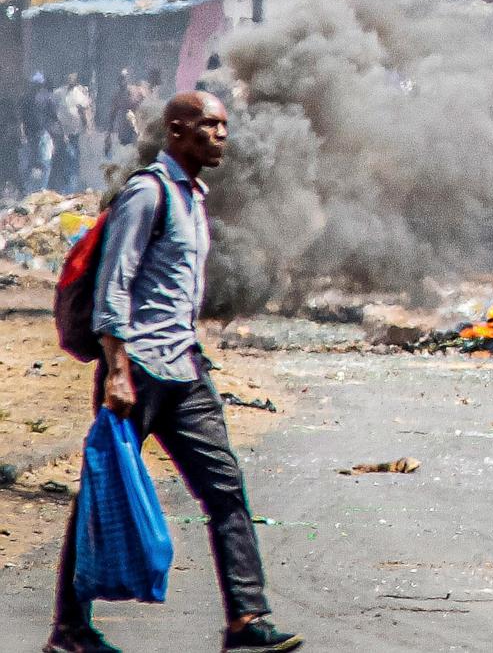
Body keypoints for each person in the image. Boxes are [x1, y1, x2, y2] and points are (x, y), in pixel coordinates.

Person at [45, 92, 303, 653]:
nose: (221, 135)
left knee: (226, 490)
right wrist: (116, 369)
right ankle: (69, 630)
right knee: (100, 494)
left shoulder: (193, 197)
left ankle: (246, 621)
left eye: (224, 126)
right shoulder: (147, 193)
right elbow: (115, 284)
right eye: (209, 125)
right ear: (178, 132)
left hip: (184, 371)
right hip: (135, 372)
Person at [51, 73, 92, 193]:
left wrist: (88, 128)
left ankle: (70, 190)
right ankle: (61, 188)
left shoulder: (79, 93)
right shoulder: (58, 93)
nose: (70, 80)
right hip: (60, 133)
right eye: (68, 78)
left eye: (72, 78)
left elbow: (84, 111)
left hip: (74, 133)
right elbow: (53, 111)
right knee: (62, 158)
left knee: (72, 158)